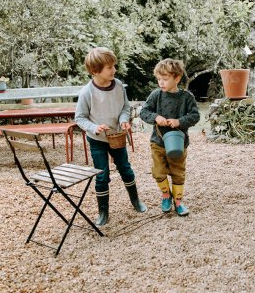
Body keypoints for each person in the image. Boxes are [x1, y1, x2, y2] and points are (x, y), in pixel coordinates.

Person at [75, 47, 147, 227]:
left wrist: (124, 120)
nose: (114, 70)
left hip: (117, 137)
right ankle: (103, 212)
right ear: (95, 71)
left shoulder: (119, 86)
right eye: (109, 67)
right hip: (97, 140)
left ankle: (136, 201)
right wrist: (94, 127)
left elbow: (125, 107)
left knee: (125, 169)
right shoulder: (87, 92)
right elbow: (80, 117)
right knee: (102, 175)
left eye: (114, 66)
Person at [140, 59, 200, 216]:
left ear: (177, 78)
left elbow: (195, 116)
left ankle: (178, 202)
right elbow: (144, 112)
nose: (161, 82)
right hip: (158, 143)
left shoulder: (187, 97)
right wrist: (155, 117)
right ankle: (166, 196)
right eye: (159, 79)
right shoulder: (155, 95)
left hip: (179, 144)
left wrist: (179, 121)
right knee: (159, 172)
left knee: (178, 172)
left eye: (165, 79)